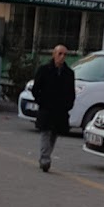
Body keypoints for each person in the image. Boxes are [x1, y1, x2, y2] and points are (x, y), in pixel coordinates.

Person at [31, 44, 76, 172]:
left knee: (54, 134)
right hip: (47, 108)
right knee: (45, 132)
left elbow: (71, 92)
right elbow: (36, 89)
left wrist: (68, 105)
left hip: (60, 110)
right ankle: (45, 159)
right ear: (54, 55)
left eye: (65, 54)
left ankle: (46, 155)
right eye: (60, 53)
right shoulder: (44, 70)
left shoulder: (69, 73)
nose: (62, 57)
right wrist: (41, 101)